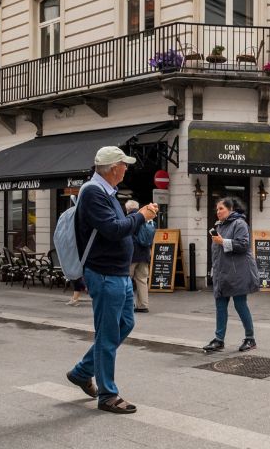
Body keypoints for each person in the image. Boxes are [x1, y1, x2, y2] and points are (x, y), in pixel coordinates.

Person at [64, 145, 160, 415]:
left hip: (118, 273)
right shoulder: (94, 192)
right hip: (105, 273)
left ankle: (82, 371)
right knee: (107, 334)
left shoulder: (106, 192)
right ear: (113, 168)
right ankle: (107, 395)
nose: (126, 169)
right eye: (124, 165)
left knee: (125, 323)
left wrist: (136, 217)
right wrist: (140, 216)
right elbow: (113, 230)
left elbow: (117, 228)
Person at [202, 197, 260, 353]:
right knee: (220, 305)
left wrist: (223, 242)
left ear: (231, 209)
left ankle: (250, 338)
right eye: (217, 209)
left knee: (240, 304)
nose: (218, 212)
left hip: (238, 272)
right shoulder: (219, 225)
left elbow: (243, 245)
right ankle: (219, 340)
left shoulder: (239, 224)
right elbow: (216, 252)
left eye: (221, 208)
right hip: (223, 273)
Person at [125, 199, 153, 314]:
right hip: (145, 254)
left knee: (127, 279)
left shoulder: (129, 219)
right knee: (142, 280)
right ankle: (143, 305)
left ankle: (128, 304)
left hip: (132, 254)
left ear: (127, 209)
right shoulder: (146, 218)